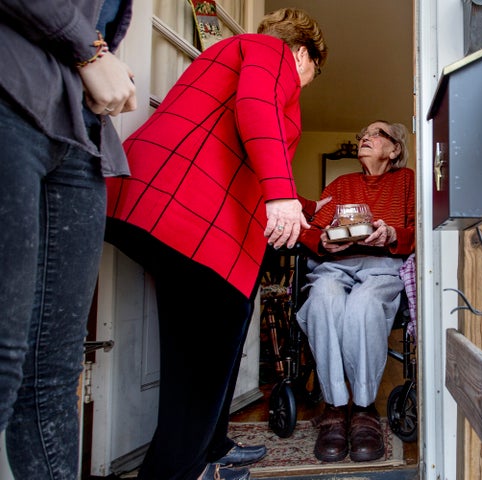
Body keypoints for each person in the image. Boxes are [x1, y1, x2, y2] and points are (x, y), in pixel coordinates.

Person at [104, 8, 328, 480]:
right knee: (200, 369)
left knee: (222, 327)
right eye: (311, 74)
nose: (304, 84)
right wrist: (283, 195)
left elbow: (240, 149)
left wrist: (304, 204)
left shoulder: (230, 54)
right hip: (195, 218)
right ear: (304, 54)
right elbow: (257, 110)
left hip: (171, 210)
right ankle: (179, 469)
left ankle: (213, 447)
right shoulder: (271, 52)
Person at [0, 1, 137, 479]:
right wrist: (92, 52)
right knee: (2, 353)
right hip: (11, 95)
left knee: (54, 371)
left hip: (81, 134)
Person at [296, 120, 415, 463]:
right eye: (362, 134)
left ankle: (363, 408)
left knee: (363, 305)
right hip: (336, 265)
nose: (365, 137)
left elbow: (417, 228)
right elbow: (311, 229)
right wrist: (321, 240)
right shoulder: (342, 183)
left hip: (383, 267)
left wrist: (392, 235)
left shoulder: (407, 181)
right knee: (322, 299)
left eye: (375, 134)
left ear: (394, 150)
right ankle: (335, 407)